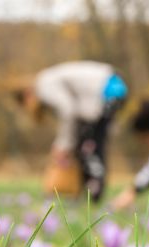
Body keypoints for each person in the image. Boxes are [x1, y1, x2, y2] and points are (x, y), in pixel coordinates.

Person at [13, 61, 128, 201]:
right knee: (87, 144)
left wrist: (62, 145)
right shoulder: (47, 80)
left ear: (27, 94)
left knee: (89, 147)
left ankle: (93, 195)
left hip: (109, 89)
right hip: (112, 88)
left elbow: (68, 110)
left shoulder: (44, 86)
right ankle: (87, 193)